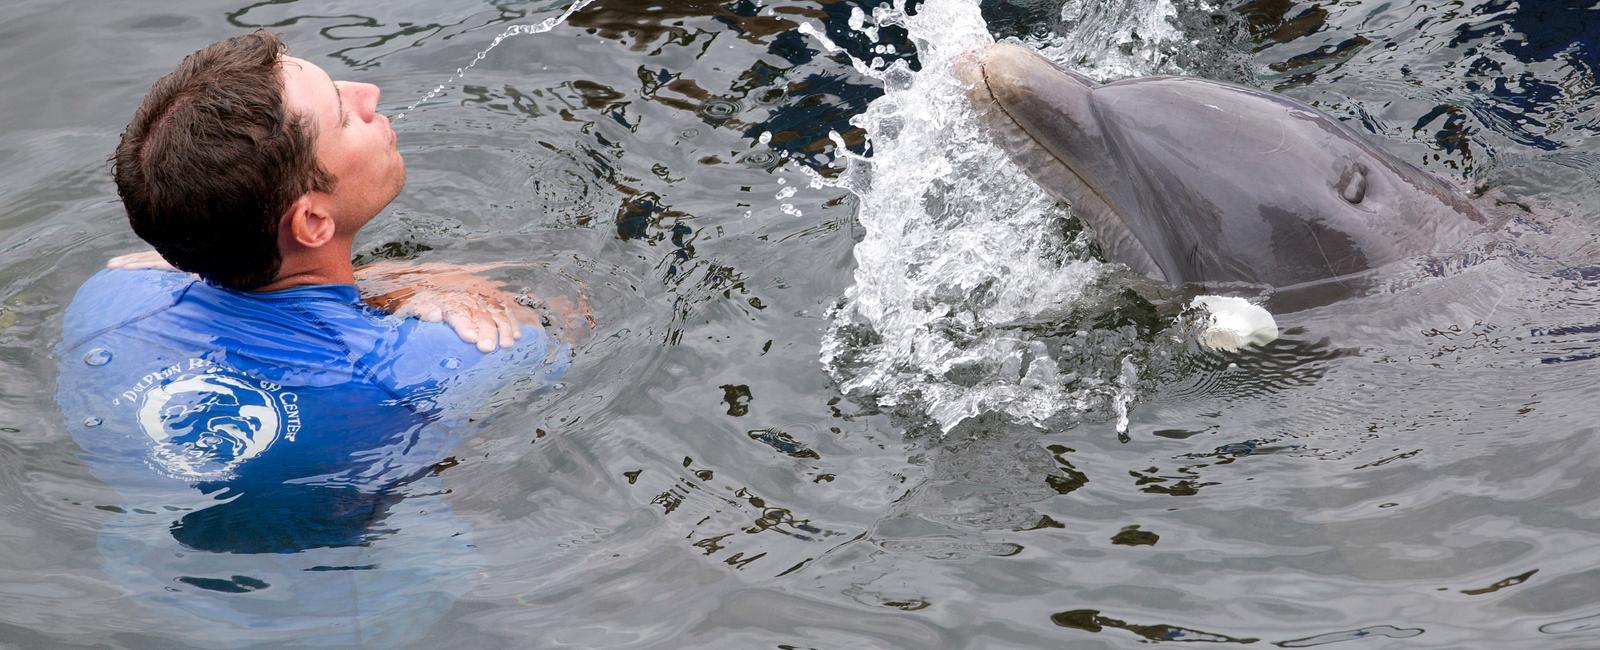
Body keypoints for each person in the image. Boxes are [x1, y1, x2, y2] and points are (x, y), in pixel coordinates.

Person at [53, 31, 581, 643]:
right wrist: (438, 284)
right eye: (340, 110)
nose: (368, 94)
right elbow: (570, 314)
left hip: (152, 583)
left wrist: (381, 282)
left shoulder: (109, 299)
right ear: (311, 221)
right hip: (359, 612)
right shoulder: (440, 358)